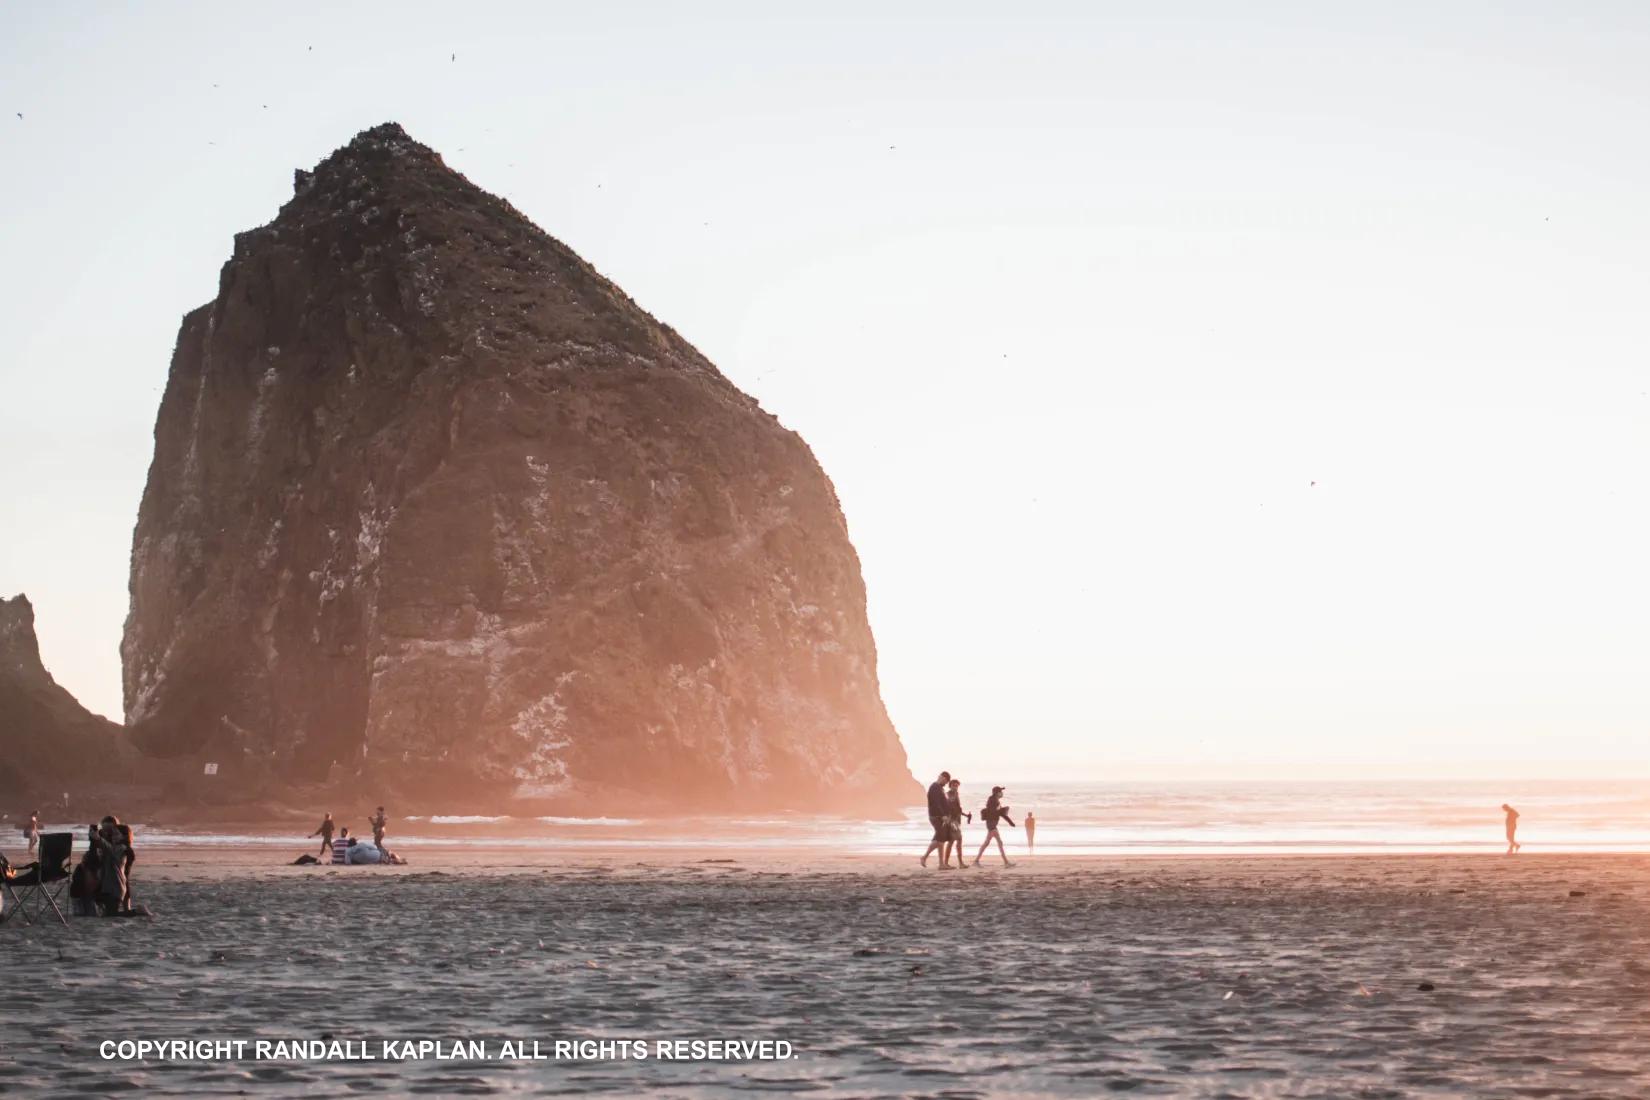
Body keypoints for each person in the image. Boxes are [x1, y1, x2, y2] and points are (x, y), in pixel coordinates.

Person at [974, 786, 1016, 867]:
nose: (1002, 793)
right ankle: (1006, 862)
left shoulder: (996, 801)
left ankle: (976, 861)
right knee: (997, 842)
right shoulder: (992, 800)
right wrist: (1003, 811)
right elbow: (993, 812)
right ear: (997, 793)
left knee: (988, 843)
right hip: (991, 825)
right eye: (1000, 791)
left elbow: (1000, 813)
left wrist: (1010, 822)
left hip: (992, 824)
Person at [920, 771, 952, 868]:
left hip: (940, 817)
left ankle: (941, 864)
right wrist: (943, 815)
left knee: (941, 840)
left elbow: (942, 803)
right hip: (936, 817)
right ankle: (924, 857)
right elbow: (936, 803)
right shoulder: (935, 787)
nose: (945, 783)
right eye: (945, 781)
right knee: (939, 839)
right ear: (941, 777)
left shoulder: (939, 788)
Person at [942, 778, 971, 870]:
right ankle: (952, 863)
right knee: (955, 840)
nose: (956, 787)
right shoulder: (949, 795)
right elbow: (948, 808)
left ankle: (955, 863)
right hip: (952, 821)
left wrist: (966, 815)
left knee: (955, 841)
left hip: (957, 820)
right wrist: (950, 821)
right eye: (954, 785)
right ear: (950, 786)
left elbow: (957, 809)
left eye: (957, 786)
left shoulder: (956, 794)